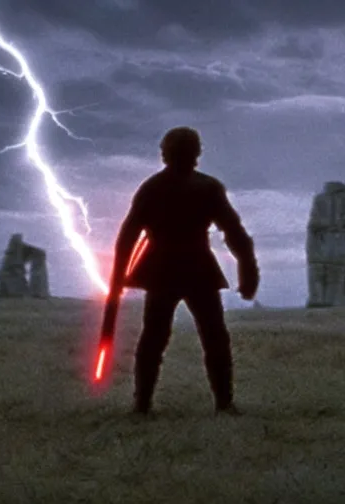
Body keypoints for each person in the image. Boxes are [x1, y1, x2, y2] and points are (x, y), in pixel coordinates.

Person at [103, 126, 259, 415]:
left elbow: (128, 237)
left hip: (164, 269)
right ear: (197, 153)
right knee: (210, 337)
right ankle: (222, 403)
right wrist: (248, 271)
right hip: (196, 268)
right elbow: (235, 233)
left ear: (167, 153)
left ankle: (143, 405)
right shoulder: (207, 187)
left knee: (158, 337)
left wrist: (118, 280)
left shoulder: (154, 187)